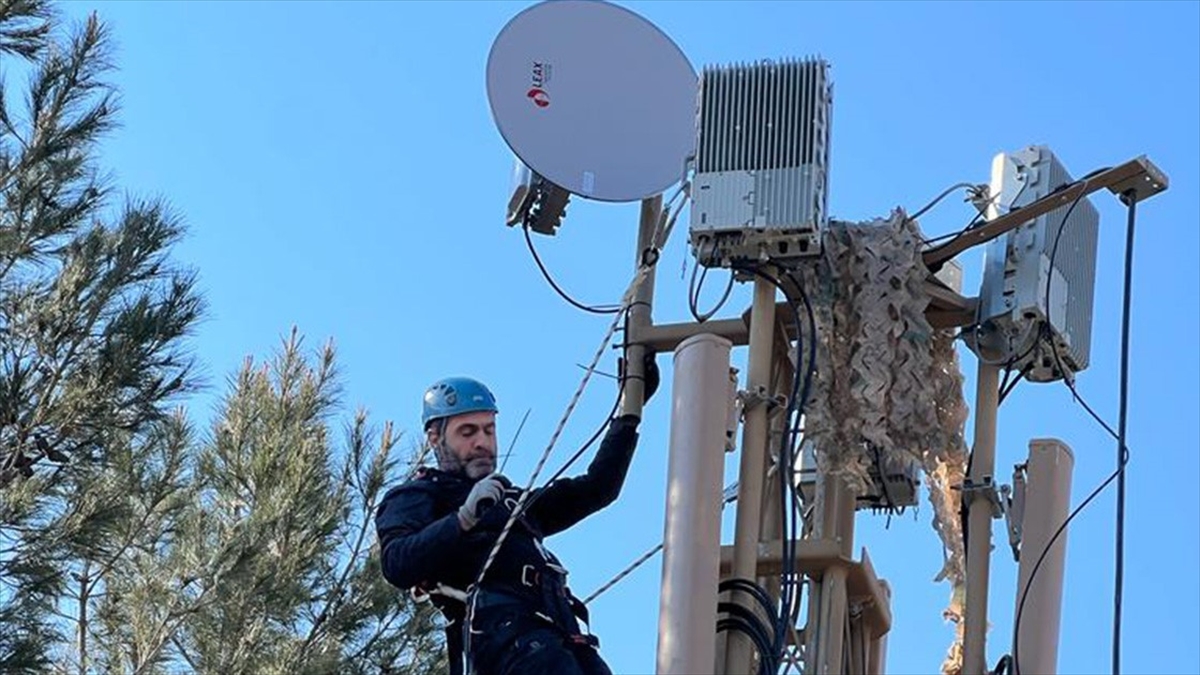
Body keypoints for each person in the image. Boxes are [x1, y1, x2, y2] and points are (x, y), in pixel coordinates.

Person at [374, 357, 659, 675]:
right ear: (435, 438)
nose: (482, 442)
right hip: (502, 643)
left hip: (560, 637)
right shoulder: (421, 494)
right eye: (467, 432)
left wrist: (628, 414)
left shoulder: (510, 503)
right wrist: (463, 519)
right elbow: (397, 562)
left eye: (489, 430)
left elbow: (597, 489)